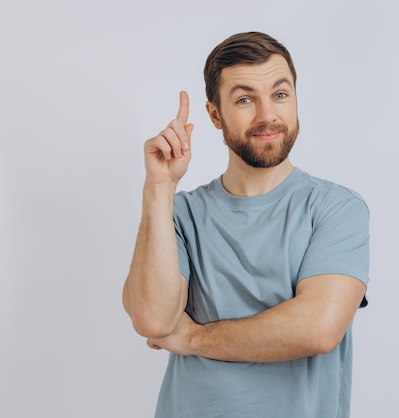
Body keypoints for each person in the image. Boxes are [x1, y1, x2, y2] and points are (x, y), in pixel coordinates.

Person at [122, 31, 370, 418]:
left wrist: (194, 339)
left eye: (280, 94)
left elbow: (318, 328)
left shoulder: (335, 208)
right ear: (215, 115)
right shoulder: (181, 214)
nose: (267, 114)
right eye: (244, 99)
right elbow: (153, 318)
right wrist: (159, 187)